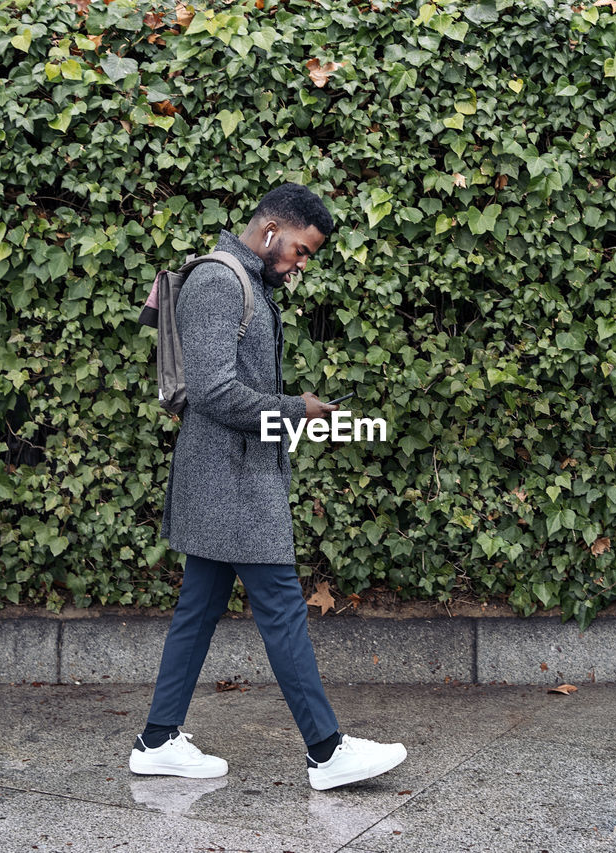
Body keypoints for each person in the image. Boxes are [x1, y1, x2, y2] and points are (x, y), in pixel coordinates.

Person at [129, 183, 406, 791]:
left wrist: (295, 411)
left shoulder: (249, 285)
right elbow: (213, 392)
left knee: (197, 611)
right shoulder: (218, 283)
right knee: (281, 608)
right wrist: (295, 409)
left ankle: (156, 741)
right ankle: (327, 753)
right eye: (302, 251)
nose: (302, 265)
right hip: (229, 480)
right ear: (273, 232)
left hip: (233, 473)